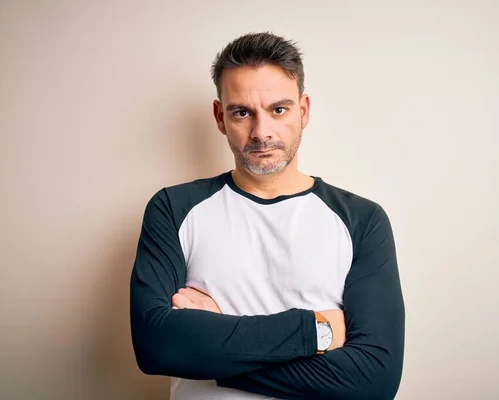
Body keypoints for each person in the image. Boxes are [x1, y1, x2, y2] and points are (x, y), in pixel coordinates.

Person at [130, 32, 405, 400]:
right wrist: (316, 330)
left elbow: (374, 383)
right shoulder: (173, 208)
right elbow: (156, 347)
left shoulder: (362, 219)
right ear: (220, 117)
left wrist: (213, 343)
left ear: (303, 111)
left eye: (279, 110)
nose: (262, 132)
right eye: (242, 112)